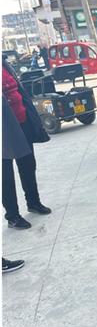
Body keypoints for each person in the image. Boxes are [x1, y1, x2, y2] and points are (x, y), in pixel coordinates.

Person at [2, 61, 51, 230]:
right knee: (5, 175)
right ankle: (12, 216)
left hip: (22, 122)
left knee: (28, 165)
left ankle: (33, 202)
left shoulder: (3, 63)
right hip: (4, 128)